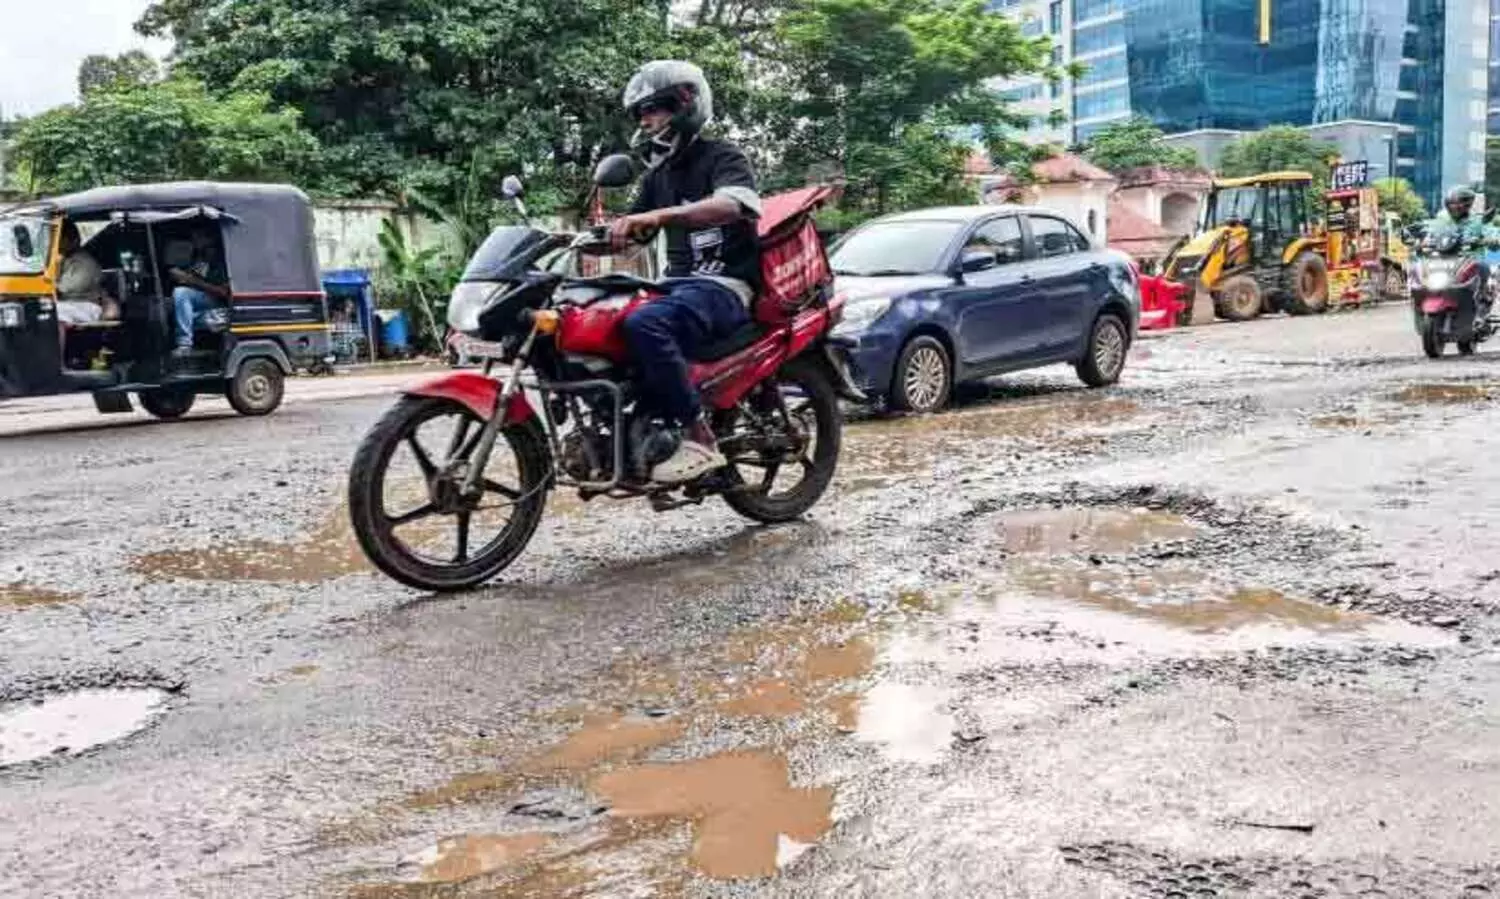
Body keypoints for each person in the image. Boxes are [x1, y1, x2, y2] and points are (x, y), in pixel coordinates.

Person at [608, 60, 762, 485]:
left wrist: (660, 216)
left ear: (686, 104)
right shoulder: (658, 176)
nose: (647, 119)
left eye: (655, 108)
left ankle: (700, 436)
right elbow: (634, 233)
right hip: (677, 288)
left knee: (646, 323)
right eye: (641, 113)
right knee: (605, 319)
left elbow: (734, 204)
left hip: (724, 286)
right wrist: (598, 235)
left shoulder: (724, 156)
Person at [168, 232, 231, 357]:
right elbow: (193, 276)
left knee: (180, 293)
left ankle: (184, 344)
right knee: (175, 307)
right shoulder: (200, 259)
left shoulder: (221, 261)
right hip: (203, 302)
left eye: (198, 238)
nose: (194, 242)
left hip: (218, 302)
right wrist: (180, 276)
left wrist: (192, 281)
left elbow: (224, 292)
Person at [54, 221, 116, 326]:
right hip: (70, 304)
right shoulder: (66, 259)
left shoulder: (85, 263)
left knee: (55, 314)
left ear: (72, 240)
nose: (57, 244)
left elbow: (64, 289)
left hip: (86, 305)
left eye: (60, 240)